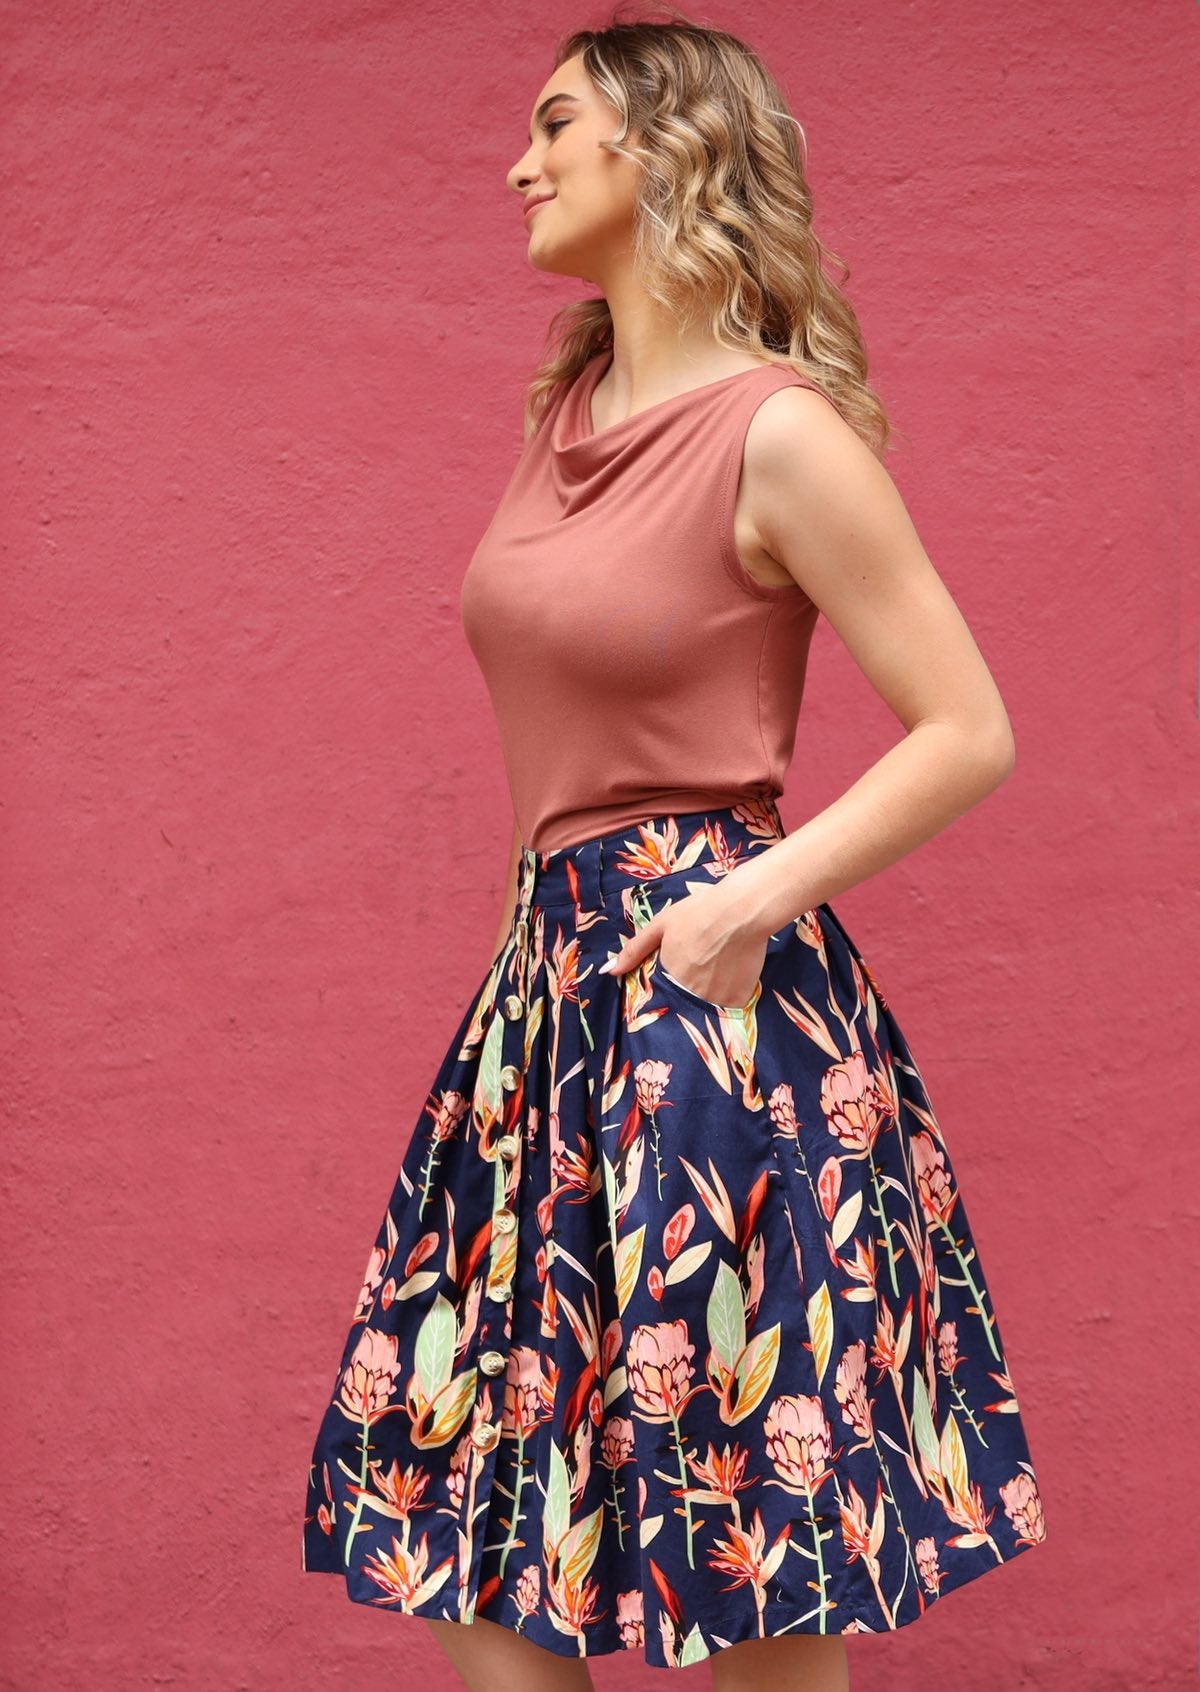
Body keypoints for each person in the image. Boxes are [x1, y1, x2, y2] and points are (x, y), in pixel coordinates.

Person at [301, 14, 1048, 1689]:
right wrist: (528, 980)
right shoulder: (565, 403)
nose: (520, 160)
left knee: (743, 1555)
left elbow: (968, 726)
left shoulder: (778, 434)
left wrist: (747, 907)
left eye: (559, 125)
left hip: (714, 1023)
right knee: (481, 1529)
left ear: (667, 150)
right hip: (545, 1008)